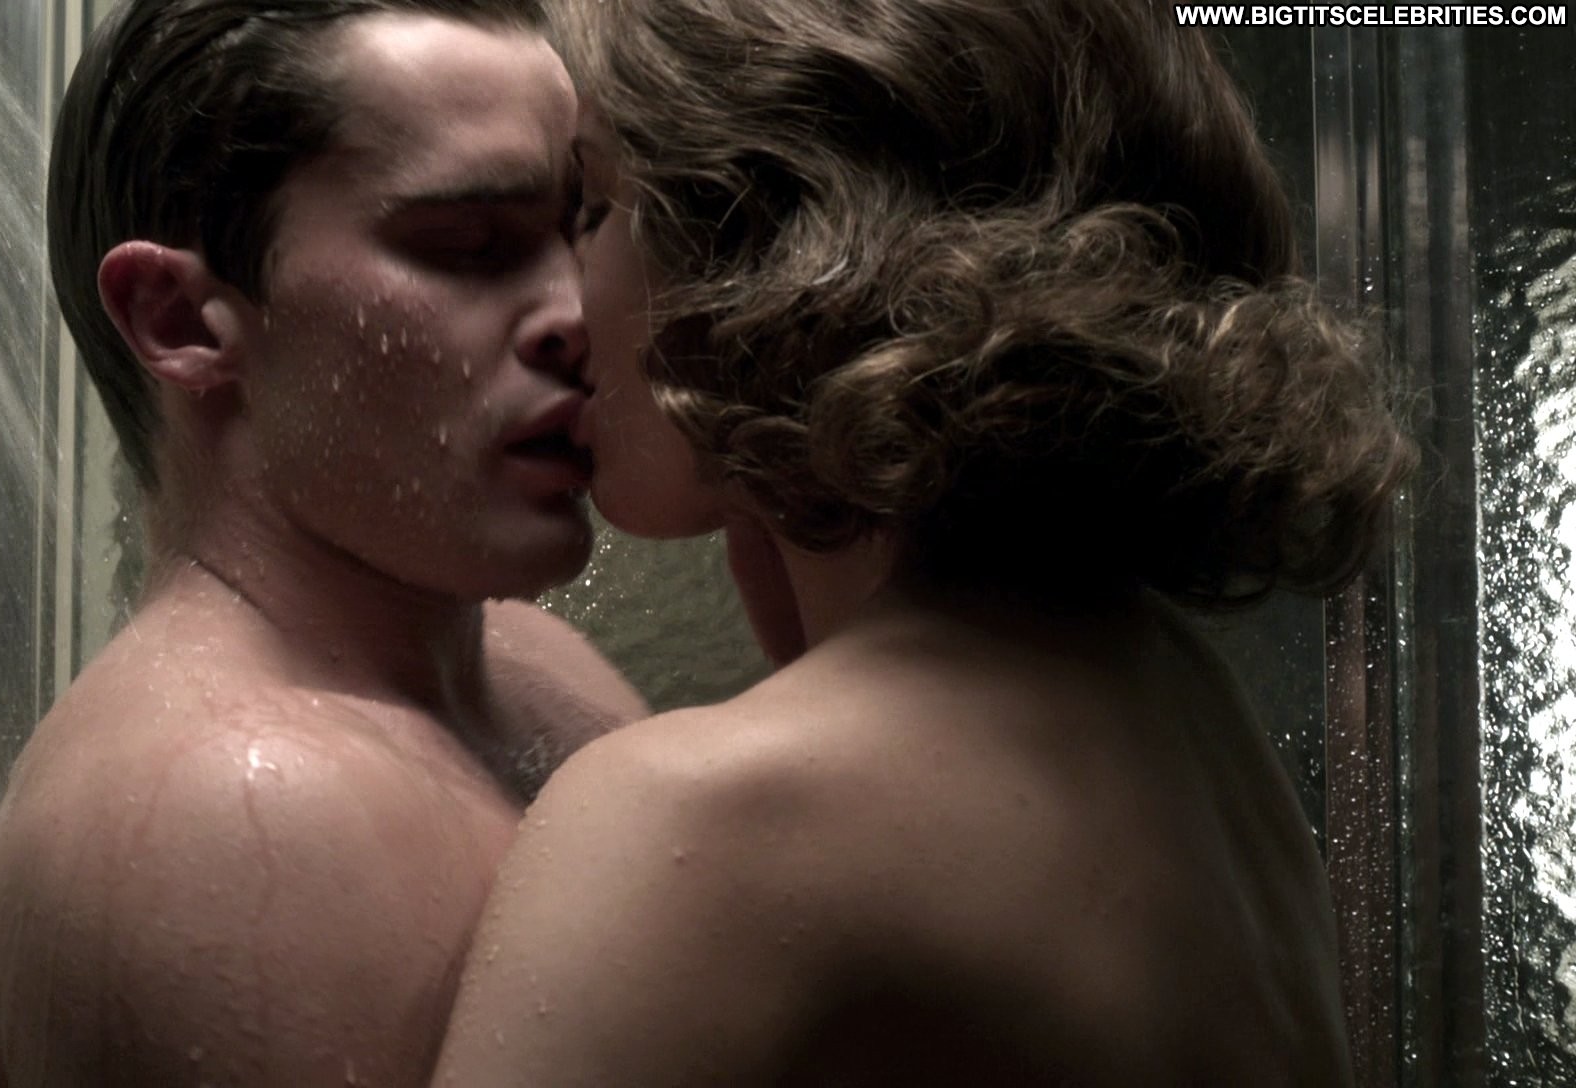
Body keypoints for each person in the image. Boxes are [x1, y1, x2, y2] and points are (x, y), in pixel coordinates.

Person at [428, 0, 1414, 1083]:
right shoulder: (1186, 714)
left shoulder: (707, 820)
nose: (565, 306)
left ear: (769, 238)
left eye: (595, 205)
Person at [0, 1, 652, 1085]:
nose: (578, 311)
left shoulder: (539, 666)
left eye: (581, 227)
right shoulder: (243, 817)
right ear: (179, 319)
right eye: (470, 247)